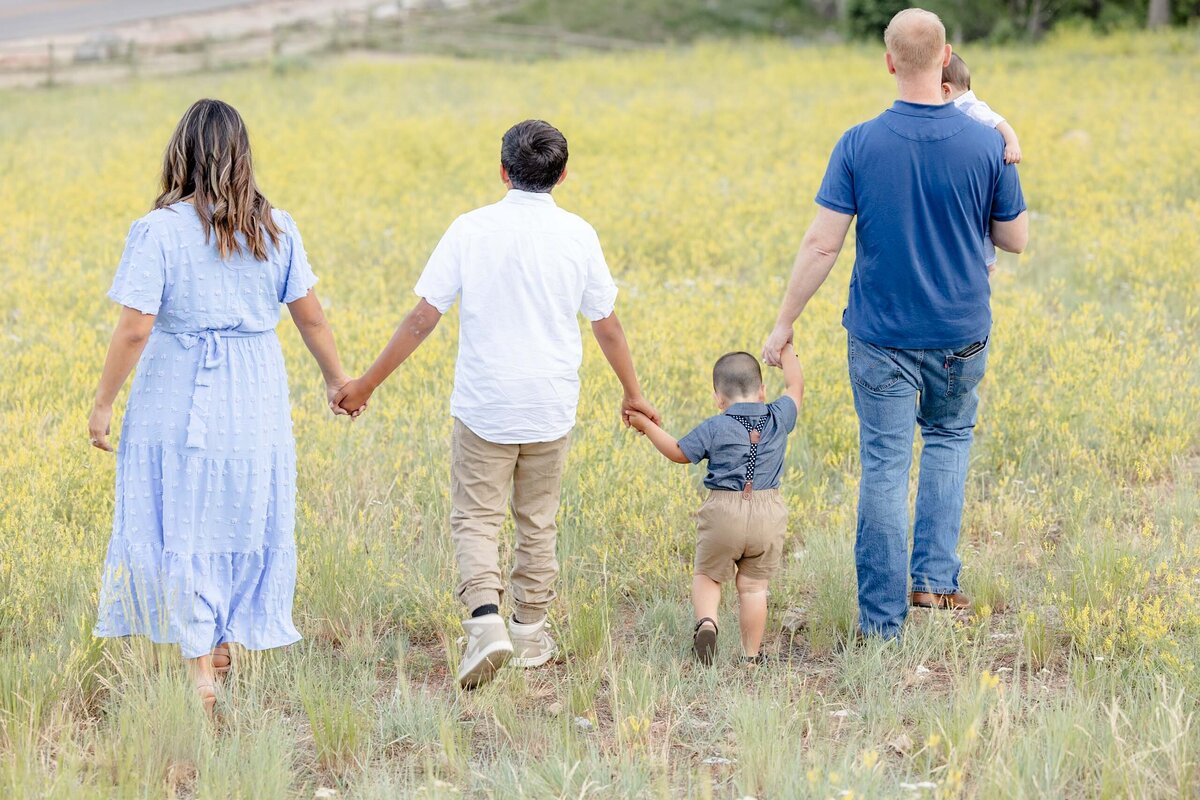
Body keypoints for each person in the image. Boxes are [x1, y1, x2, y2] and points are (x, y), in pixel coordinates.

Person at [333, 119, 659, 690]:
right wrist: (633, 393)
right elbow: (606, 325)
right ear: (561, 175)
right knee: (538, 521)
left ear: (503, 171)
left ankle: (486, 622)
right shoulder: (578, 234)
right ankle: (530, 631)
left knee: (476, 517)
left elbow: (422, 317)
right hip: (550, 407)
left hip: (485, 406)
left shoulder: (470, 229)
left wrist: (364, 385)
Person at [762, 8, 1028, 640]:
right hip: (961, 328)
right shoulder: (987, 142)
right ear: (946, 58)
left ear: (889, 61)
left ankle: (882, 625)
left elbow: (823, 245)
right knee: (948, 438)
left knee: (884, 464)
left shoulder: (858, 142)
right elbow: (1015, 238)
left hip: (881, 333)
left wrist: (783, 324)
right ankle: (935, 582)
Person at [88, 98, 356, 716]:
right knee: (239, 511)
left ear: (180, 153)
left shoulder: (158, 230)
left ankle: (201, 674)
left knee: (182, 518)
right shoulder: (275, 226)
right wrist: (336, 380)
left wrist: (103, 403)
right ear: (242, 155)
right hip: (256, 391)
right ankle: (224, 640)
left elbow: (134, 329)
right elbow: (310, 314)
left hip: (176, 388)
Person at [626, 346, 803, 665]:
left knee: (708, 574)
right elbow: (796, 386)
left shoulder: (715, 425)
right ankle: (751, 656)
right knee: (753, 588)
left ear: (718, 398)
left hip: (723, 511)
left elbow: (679, 452)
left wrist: (646, 425)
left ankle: (708, 622)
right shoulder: (779, 415)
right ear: (762, 391)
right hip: (768, 512)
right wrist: (786, 350)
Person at [942, 51, 1023, 271]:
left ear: (946, 91)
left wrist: (1012, 144)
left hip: (979, 178)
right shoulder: (957, 106)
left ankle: (988, 266)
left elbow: (1000, 123)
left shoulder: (972, 108)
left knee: (982, 231)